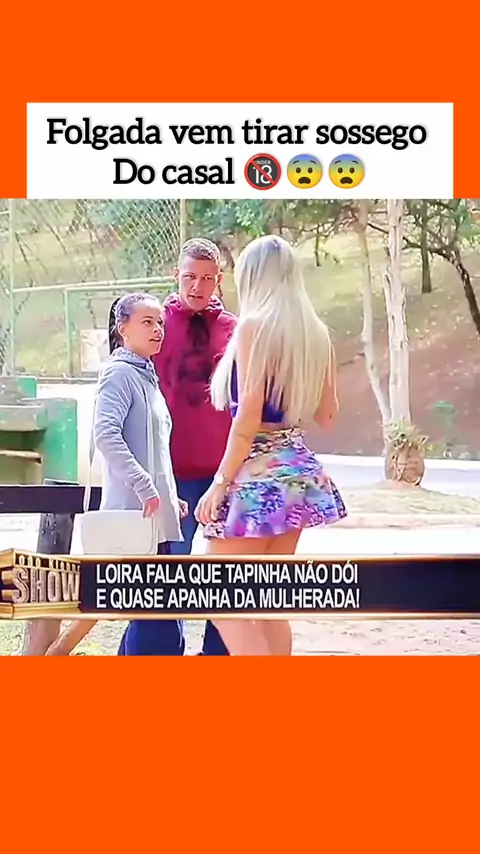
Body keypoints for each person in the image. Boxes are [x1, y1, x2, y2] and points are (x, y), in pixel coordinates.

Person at [194, 234, 347, 656]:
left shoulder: (253, 328)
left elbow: (247, 418)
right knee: (268, 603)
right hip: (299, 470)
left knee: (216, 595)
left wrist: (220, 483)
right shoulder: (316, 335)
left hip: (258, 474)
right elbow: (327, 416)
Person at [46, 292, 188, 656]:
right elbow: (106, 435)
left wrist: (170, 495)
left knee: (153, 614)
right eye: (147, 322)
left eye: (160, 323)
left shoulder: (146, 375)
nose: (157, 330)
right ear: (122, 328)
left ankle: (53, 658)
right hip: (134, 515)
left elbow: (153, 448)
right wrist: (144, 486)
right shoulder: (120, 373)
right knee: (157, 619)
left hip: (154, 516)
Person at [152, 237, 237, 656]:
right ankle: (164, 657)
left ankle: (216, 659)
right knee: (168, 573)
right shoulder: (156, 325)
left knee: (227, 576)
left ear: (219, 280)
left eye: (206, 278)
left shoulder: (234, 330)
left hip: (224, 474)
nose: (197, 286)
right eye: (189, 277)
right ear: (176, 276)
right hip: (171, 474)